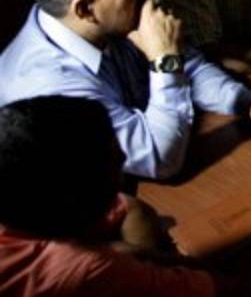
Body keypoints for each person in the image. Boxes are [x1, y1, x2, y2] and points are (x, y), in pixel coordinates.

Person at [0, 0, 251, 179]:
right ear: (85, 8)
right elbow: (160, 159)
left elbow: (189, 68)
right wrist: (165, 59)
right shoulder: (51, 86)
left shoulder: (101, 20)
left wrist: (244, 102)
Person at [0, 96, 219, 295]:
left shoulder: (22, 206)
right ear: (76, 192)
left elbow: (129, 207)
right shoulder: (83, 269)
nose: (123, 157)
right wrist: (131, 270)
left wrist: (138, 258)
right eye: (110, 153)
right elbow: (225, 288)